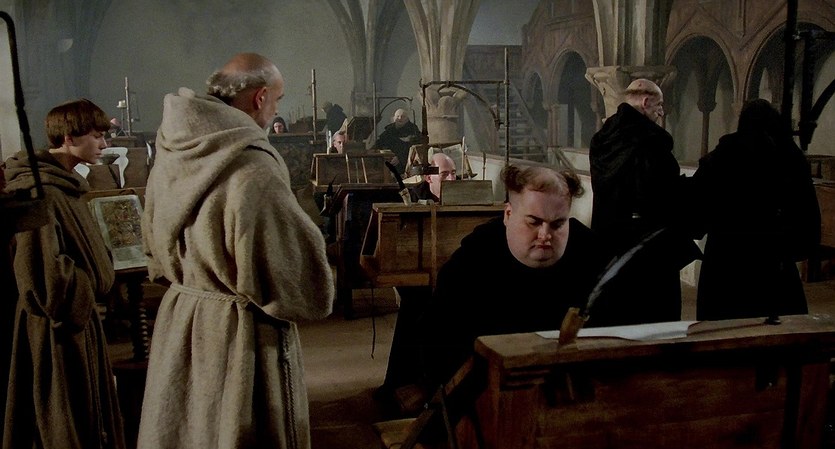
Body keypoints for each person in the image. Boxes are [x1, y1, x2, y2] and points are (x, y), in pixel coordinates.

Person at [137, 53, 334, 449]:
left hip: (182, 320)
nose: (275, 110)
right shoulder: (253, 169)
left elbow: (154, 248)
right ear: (260, 97)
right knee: (236, 427)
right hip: (238, 335)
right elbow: (298, 286)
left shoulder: (173, 152)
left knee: (190, 428)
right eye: (277, 99)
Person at [419, 164, 619, 398]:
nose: (545, 235)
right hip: (488, 393)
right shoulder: (473, 259)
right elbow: (438, 343)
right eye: (534, 222)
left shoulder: (593, 255)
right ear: (508, 214)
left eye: (557, 224)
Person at [2, 98, 126, 449]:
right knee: (63, 418)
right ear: (69, 138)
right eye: (96, 136)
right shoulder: (40, 190)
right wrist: (84, 289)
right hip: (58, 329)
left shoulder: (66, 186)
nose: (103, 143)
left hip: (78, 323)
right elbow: (42, 274)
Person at [691, 99, 821, 320]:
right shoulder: (789, 158)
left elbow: (696, 211)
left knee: (723, 331)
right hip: (772, 263)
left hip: (725, 262)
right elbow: (806, 215)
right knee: (776, 330)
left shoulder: (721, 156)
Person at [588, 78, 701, 325]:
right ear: (646, 101)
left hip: (608, 239)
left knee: (616, 314)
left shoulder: (602, 139)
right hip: (648, 250)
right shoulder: (650, 142)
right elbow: (660, 198)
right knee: (653, 316)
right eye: (659, 105)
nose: (661, 113)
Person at [373, 152, 458, 415]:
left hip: (450, 277)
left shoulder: (465, 197)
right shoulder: (413, 199)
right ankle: (405, 383)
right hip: (418, 275)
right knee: (417, 309)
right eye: (445, 174)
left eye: (454, 173)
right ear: (429, 177)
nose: (452, 179)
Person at [373, 108, 422, 174]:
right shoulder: (389, 130)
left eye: (403, 116)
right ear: (394, 118)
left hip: (406, 164)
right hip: (388, 162)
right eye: (397, 116)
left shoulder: (413, 130)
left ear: (407, 119)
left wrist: (400, 157)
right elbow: (380, 143)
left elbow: (416, 148)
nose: (400, 118)